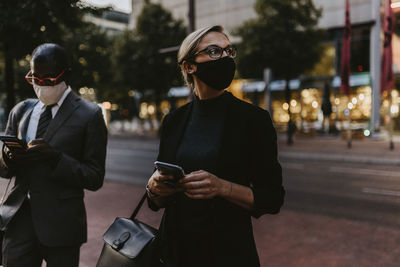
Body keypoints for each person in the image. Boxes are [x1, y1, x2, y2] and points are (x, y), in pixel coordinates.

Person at [146, 25, 285, 267]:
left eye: (229, 51)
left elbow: (272, 198)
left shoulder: (253, 119)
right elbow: (158, 201)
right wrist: (154, 187)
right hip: (174, 253)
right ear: (189, 66)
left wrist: (222, 187)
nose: (225, 57)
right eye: (213, 51)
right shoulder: (174, 121)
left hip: (227, 253)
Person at [0, 43, 108, 267]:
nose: (41, 85)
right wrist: (8, 157)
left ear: (65, 74)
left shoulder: (90, 115)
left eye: (48, 79)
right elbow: (3, 168)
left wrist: (57, 159)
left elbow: (94, 177)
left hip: (62, 224)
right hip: (19, 219)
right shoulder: (21, 111)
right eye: (34, 79)